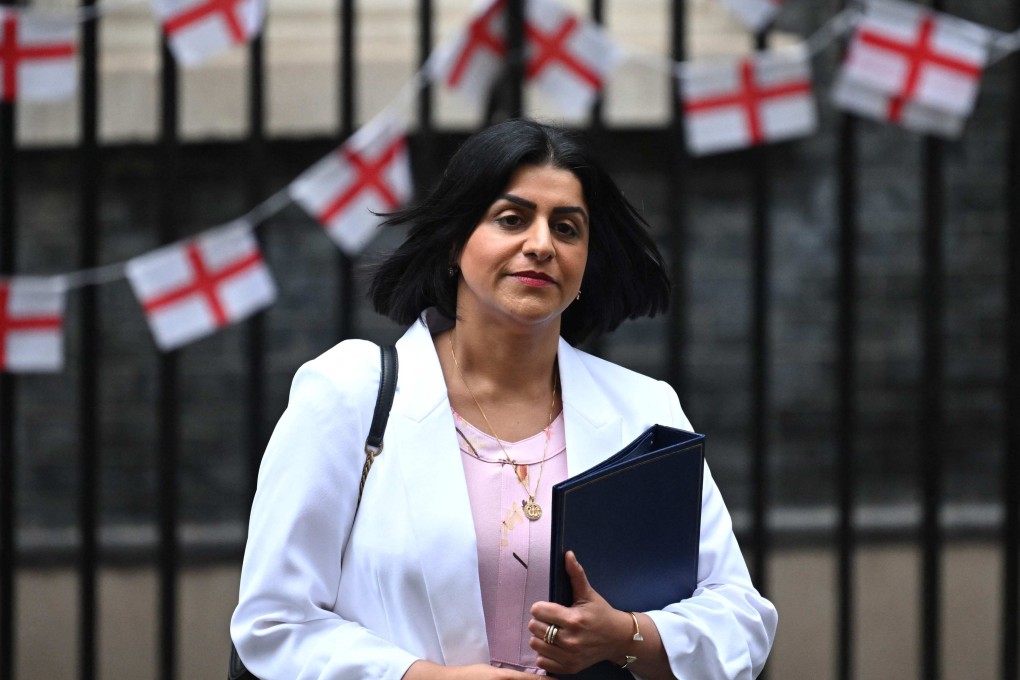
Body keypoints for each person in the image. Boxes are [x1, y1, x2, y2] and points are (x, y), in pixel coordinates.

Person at [231, 119, 777, 679]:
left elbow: (740, 618)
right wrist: (427, 679)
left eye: (567, 228)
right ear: (454, 243)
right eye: (512, 219)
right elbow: (275, 622)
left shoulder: (644, 411)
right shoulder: (349, 393)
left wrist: (625, 635)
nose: (541, 245)